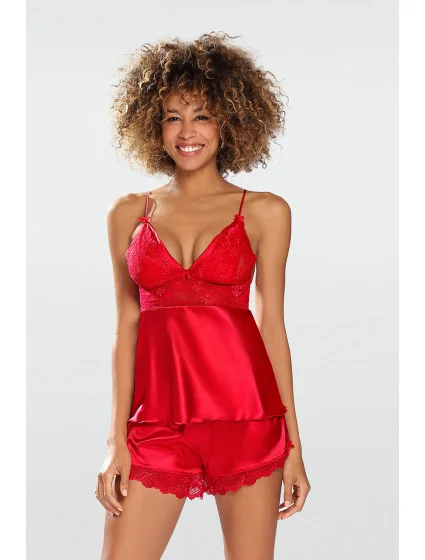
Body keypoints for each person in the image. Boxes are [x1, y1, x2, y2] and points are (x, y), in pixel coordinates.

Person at [96, 31, 311, 560]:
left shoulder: (265, 211)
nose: (187, 132)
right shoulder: (129, 213)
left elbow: (272, 328)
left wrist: (293, 445)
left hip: (249, 420)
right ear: (154, 125)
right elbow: (126, 327)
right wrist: (117, 439)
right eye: (173, 117)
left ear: (230, 122)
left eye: (202, 116)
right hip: (156, 424)